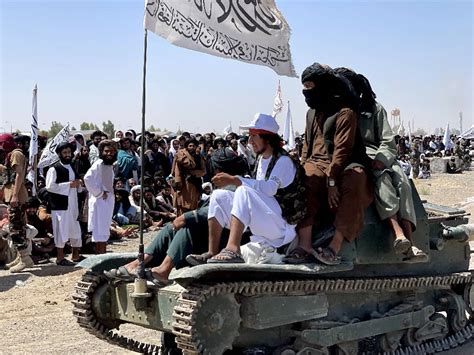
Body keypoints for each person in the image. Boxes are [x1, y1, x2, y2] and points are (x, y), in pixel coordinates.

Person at [104, 148, 250, 284]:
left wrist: (187, 217)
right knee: (170, 227)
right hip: (217, 235)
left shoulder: (236, 187)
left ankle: (163, 270)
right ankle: (139, 263)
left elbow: (216, 212)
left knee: (188, 227)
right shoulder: (230, 185)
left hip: (230, 239)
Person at [284, 63, 373, 265]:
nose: (306, 92)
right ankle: (304, 244)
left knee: (355, 180)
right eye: (304, 87)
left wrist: (332, 181)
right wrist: (301, 168)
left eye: (310, 86)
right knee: (306, 179)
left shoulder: (345, 113)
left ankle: (335, 245)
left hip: (346, 164)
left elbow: (342, 151)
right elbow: (307, 146)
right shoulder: (311, 113)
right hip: (317, 163)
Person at [334, 67, 427, 262]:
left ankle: (409, 241)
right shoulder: (339, 110)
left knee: (402, 181)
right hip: (358, 158)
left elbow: (387, 140)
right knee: (382, 180)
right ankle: (398, 232)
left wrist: (381, 159)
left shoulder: (374, 109)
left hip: (379, 155)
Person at [188, 113, 303, 264]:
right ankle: (211, 252)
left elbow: (269, 189)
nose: (250, 141)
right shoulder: (261, 159)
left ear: (267, 138)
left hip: (282, 227)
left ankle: (233, 249)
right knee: (218, 196)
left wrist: (236, 180)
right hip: (266, 219)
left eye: (254, 136)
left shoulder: (283, 161)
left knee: (243, 190)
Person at [46, 142, 84, 265]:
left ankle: (76, 255)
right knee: (60, 230)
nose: (68, 155)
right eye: (65, 153)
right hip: (60, 206)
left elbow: (76, 184)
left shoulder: (72, 166)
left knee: (75, 228)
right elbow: (50, 186)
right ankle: (60, 258)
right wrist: (68, 185)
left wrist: (79, 184)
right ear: (59, 154)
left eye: (69, 152)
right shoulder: (54, 168)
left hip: (73, 203)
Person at [3, 135, 34, 272]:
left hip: (17, 197)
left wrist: (15, 195)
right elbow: (10, 173)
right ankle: (22, 257)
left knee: (15, 229)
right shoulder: (14, 154)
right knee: (19, 227)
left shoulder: (16, 153)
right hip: (14, 196)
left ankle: (25, 258)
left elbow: (19, 175)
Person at [84, 140, 117, 254]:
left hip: (106, 201)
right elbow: (87, 179)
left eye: (112, 151)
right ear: (101, 152)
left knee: (103, 232)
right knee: (100, 233)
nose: (109, 154)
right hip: (100, 202)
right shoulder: (98, 164)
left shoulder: (108, 165)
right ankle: (101, 262)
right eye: (106, 151)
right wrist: (99, 193)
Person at [171, 138, 206, 215]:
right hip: (183, 182)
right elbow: (176, 170)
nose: (192, 147)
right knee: (182, 202)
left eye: (193, 146)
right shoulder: (181, 154)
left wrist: (195, 173)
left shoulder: (199, 157)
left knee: (193, 203)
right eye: (190, 146)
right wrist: (178, 181)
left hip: (195, 182)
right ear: (187, 146)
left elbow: (204, 171)